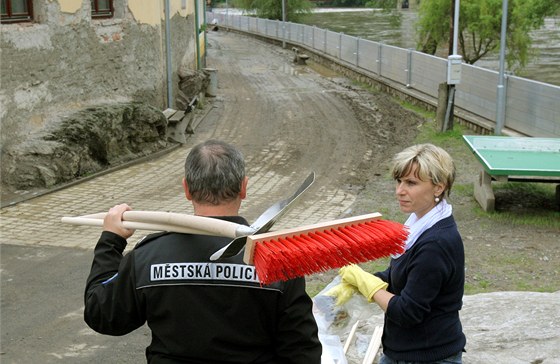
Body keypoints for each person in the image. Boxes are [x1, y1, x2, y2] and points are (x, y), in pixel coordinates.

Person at [84, 139, 322, 363]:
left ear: (187, 189)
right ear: (243, 187)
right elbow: (301, 351)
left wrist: (111, 240)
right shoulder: (278, 260)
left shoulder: (148, 256)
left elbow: (102, 315)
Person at [329, 143, 466, 363]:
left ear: (438, 188)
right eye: (399, 181)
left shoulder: (436, 243)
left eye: (411, 183)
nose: (400, 190)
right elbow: (404, 275)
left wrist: (370, 287)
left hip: (428, 356)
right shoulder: (419, 222)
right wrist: (359, 282)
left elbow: (407, 312)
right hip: (404, 351)